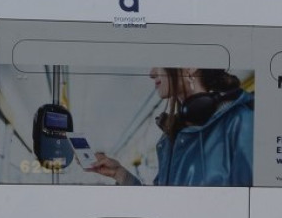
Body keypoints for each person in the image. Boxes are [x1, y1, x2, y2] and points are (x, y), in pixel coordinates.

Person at [89, 67, 254, 187]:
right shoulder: (169, 140)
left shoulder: (240, 123)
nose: (152, 73)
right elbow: (161, 207)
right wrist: (119, 173)